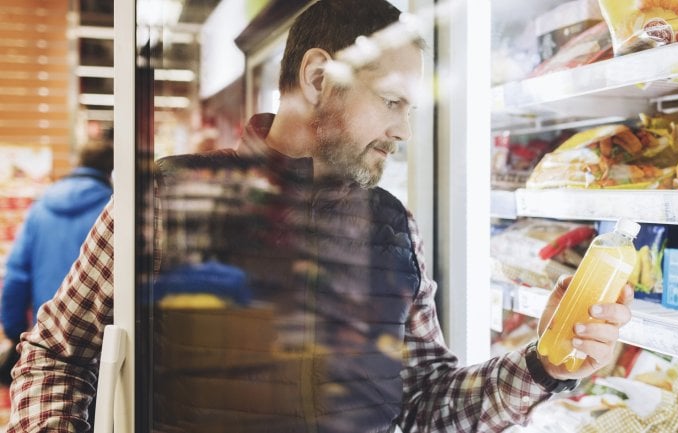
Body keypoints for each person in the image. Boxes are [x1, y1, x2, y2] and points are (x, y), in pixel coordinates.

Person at [6, 1, 633, 432]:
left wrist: (541, 365)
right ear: (317, 76)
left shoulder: (393, 227)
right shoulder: (163, 200)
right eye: (392, 102)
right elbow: (54, 356)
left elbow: (425, 405)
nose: (403, 130)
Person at [0, 139, 113, 384]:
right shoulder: (112, 211)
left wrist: (15, 331)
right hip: (100, 342)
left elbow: (17, 276)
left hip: (47, 335)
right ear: (110, 171)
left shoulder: (40, 208)